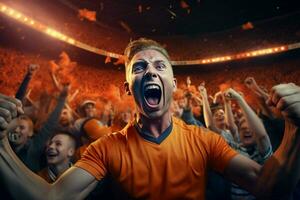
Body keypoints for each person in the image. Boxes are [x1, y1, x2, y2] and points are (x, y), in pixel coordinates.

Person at [0, 38, 300, 200]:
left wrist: (295, 129)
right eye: (140, 67)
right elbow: (53, 197)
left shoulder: (204, 140)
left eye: (160, 66)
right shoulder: (107, 148)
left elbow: (267, 186)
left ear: (172, 83)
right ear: (128, 87)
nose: (152, 71)